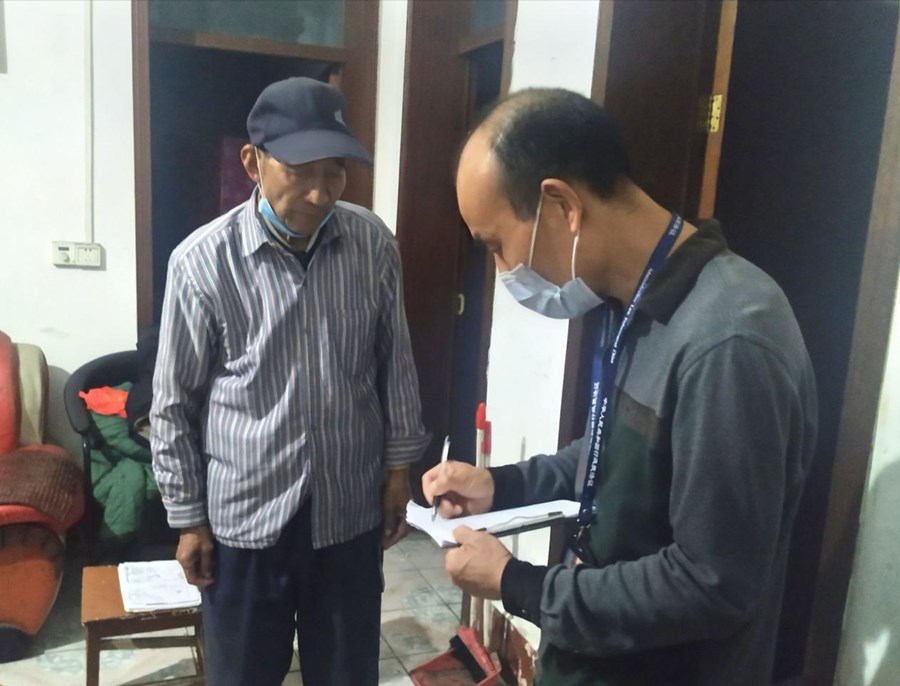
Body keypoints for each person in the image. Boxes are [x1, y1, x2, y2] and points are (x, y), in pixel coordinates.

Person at [423, 88, 818, 685]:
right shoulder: (633, 305)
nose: (503, 271)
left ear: (561, 204)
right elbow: (607, 457)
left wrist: (518, 583)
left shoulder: (729, 340)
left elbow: (711, 584)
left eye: (497, 246)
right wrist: (502, 486)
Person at [151, 77, 429, 686]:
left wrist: (398, 471)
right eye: (301, 170)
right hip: (246, 523)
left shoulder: (372, 244)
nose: (320, 192)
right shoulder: (202, 263)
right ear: (253, 163)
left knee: (347, 674)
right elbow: (173, 405)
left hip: (347, 512)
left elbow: (396, 363)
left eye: (335, 171)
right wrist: (189, 518)